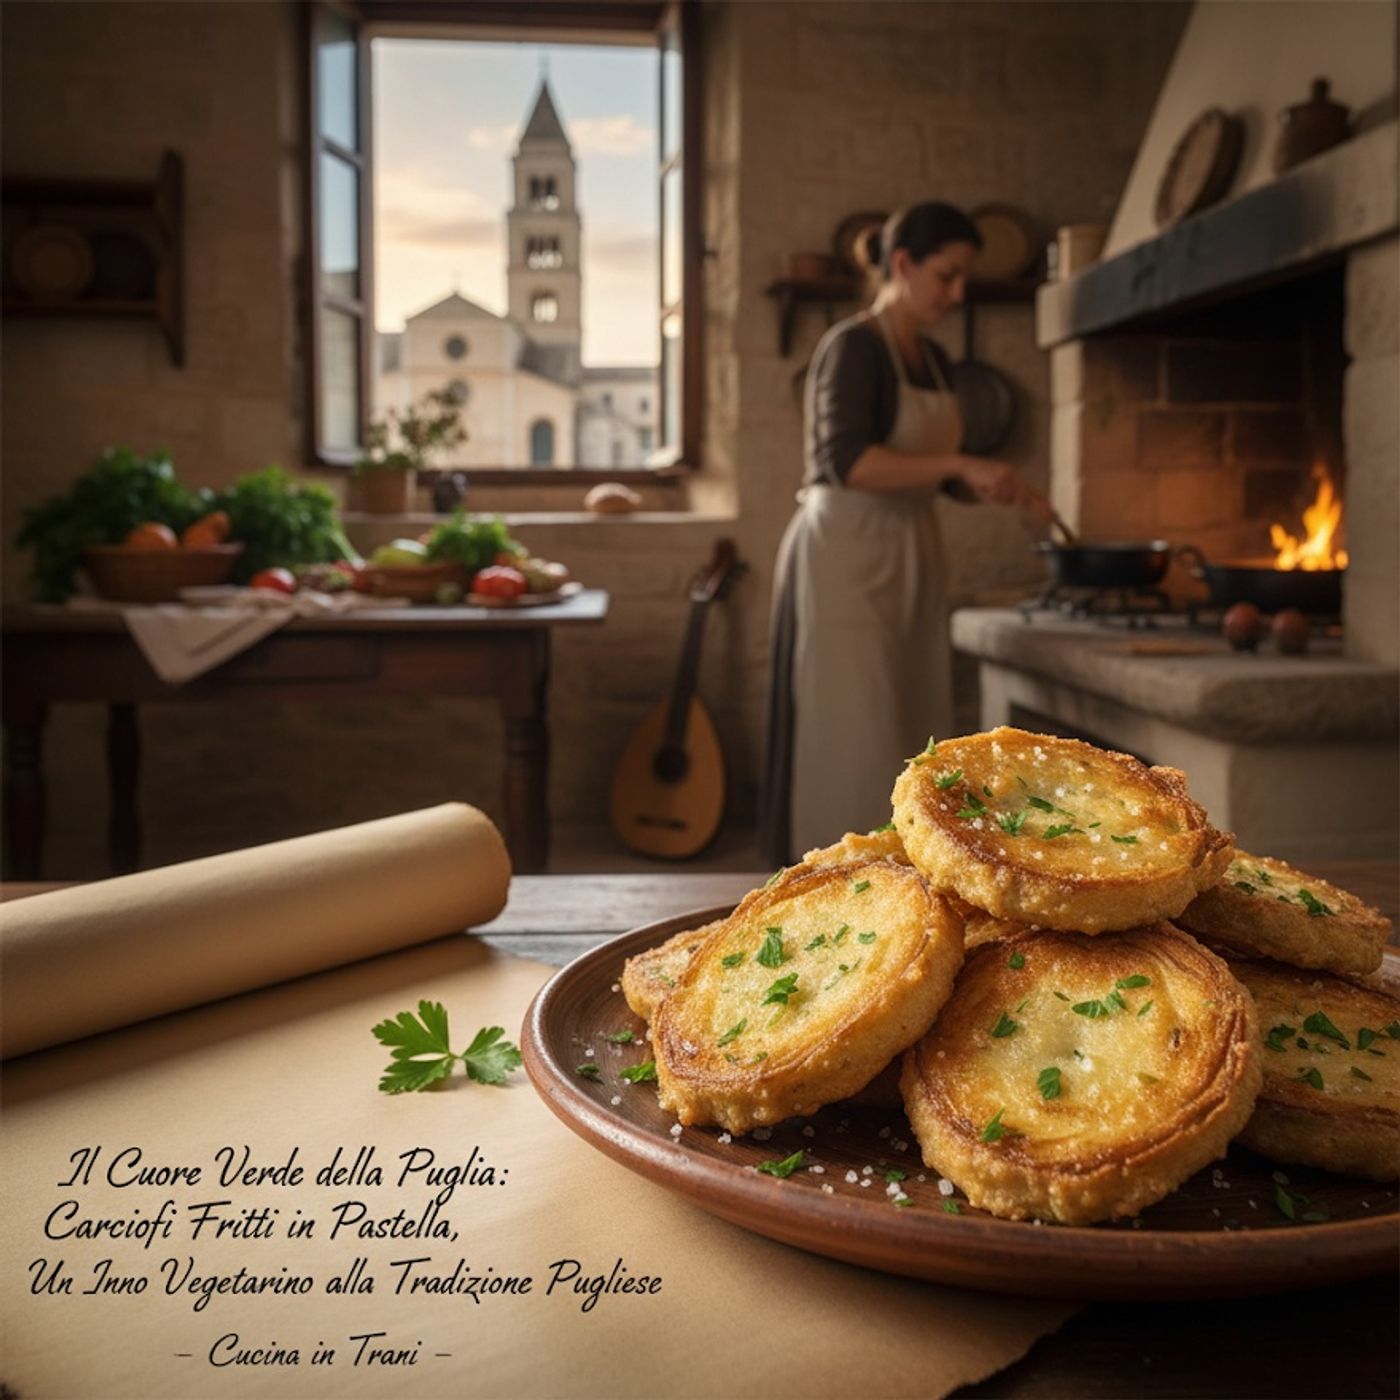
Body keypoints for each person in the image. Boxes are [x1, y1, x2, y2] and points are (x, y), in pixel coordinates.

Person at [760, 202, 1052, 864]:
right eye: (946, 276)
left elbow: (920, 470)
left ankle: (913, 880)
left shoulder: (938, 360)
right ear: (901, 264)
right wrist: (957, 462)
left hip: (913, 546)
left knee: (911, 721)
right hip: (848, 554)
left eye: (963, 280)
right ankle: (838, 876)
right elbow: (849, 462)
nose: (957, 293)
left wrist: (984, 483)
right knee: (854, 727)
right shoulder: (853, 346)